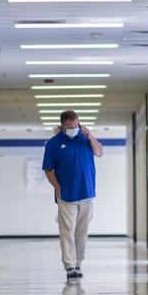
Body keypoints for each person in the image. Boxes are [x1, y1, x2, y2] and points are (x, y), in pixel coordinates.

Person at [42, 110, 104, 280]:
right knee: (67, 230)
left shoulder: (85, 139)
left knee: (82, 231)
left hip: (87, 192)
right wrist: (57, 188)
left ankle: (78, 263)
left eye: (76, 125)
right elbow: (48, 169)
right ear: (62, 126)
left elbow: (99, 152)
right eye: (70, 127)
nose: (73, 129)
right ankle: (69, 266)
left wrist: (91, 137)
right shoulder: (53, 144)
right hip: (66, 194)